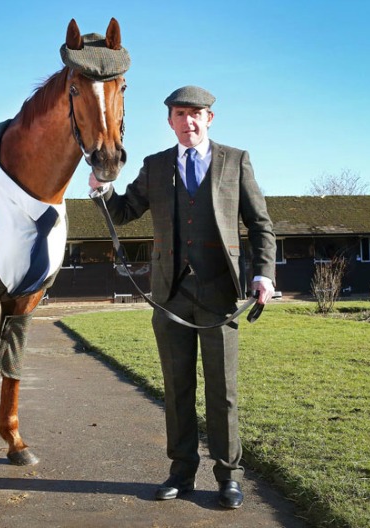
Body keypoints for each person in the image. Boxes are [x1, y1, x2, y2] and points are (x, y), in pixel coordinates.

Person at [89, 85, 276, 509]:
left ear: (210, 118)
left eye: (196, 114)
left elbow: (260, 225)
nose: (188, 122)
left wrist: (263, 274)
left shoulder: (236, 161)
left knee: (222, 390)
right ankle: (181, 472)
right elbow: (123, 212)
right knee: (176, 389)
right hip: (169, 294)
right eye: (180, 114)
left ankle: (229, 477)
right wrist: (102, 190)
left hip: (221, 293)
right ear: (169, 120)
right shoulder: (155, 166)